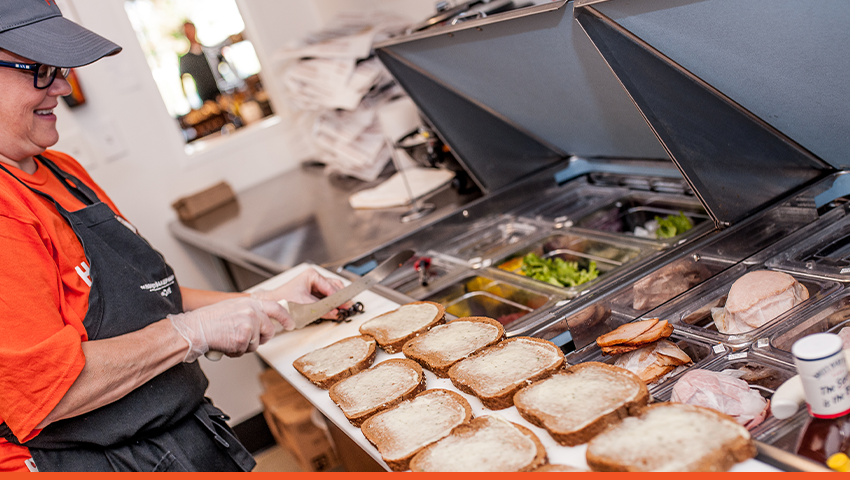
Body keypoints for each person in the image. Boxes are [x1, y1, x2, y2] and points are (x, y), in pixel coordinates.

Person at [0, 1, 347, 472]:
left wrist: (263, 300)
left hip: (171, 441)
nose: (60, 84)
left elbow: (141, 302)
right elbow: (50, 389)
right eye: (39, 69)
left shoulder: (61, 171)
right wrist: (191, 333)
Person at [179, 21, 223, 104]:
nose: (189, 33)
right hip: (206, 98)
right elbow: (183, 80)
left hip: (222, 91)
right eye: (186, 32)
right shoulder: (186, 60)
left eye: (190, 30)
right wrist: (189, 103)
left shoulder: (210, 51)